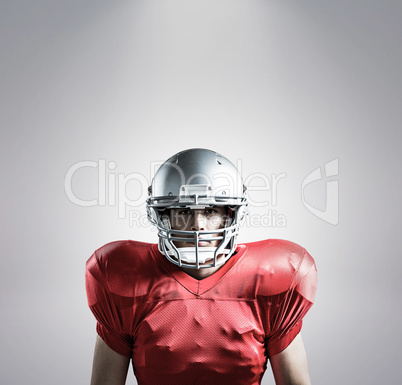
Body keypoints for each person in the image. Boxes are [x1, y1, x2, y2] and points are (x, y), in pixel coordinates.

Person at [85, 148, 317, 385]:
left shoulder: (273, 278)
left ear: (230, 214)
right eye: (184, 211)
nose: (197, 226)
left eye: (210, 211)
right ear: (163, 215)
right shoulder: (123, 277)